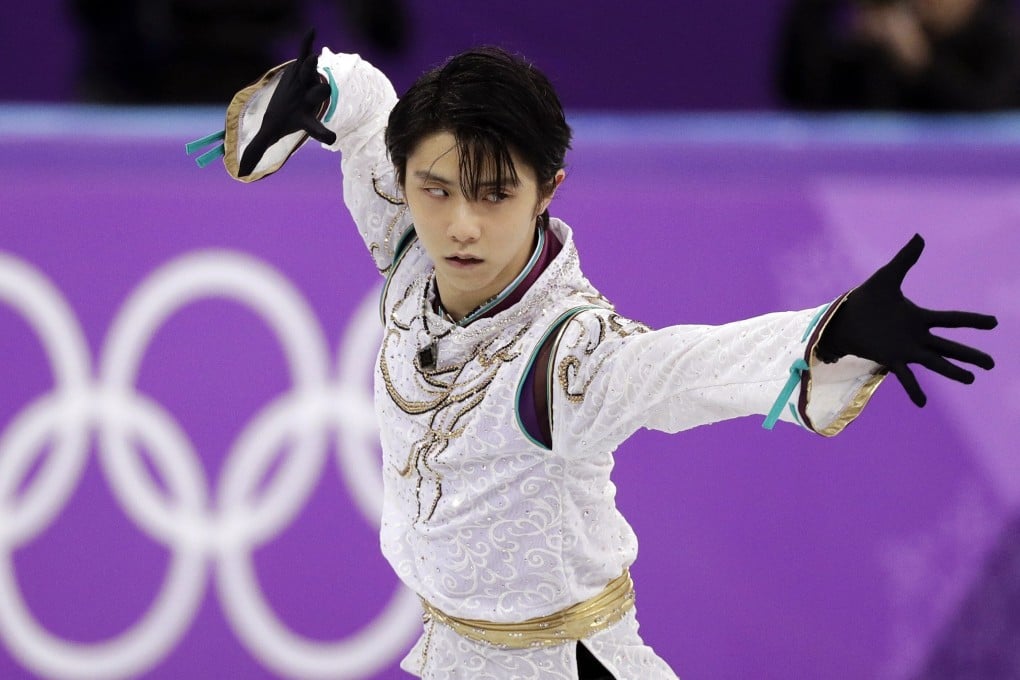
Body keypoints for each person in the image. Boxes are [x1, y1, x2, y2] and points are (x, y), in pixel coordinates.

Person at [187, 32, 997, 679]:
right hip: (454, 657)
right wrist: (317, 88)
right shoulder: (407, 246)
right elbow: (369, 115)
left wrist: (833, 331)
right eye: (436, 189)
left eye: (495, 192)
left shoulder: (566, 358)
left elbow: (684, 369)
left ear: (549, 189)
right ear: (406, 182)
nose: (461, 224)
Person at [774, 0, 1020, 111]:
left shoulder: (1003, 42)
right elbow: (802, 90)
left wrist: (923, 66)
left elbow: (991, 111)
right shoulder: (884, 48)